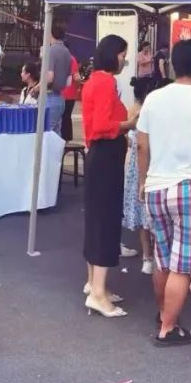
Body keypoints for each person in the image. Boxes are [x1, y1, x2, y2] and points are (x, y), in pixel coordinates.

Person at [137, 39, 191, 346]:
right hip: (188, 187)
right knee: (183, 265)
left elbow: (142, 145)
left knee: (163, 259)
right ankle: (168, 329)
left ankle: (165, 314)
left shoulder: (154, 98)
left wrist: (143, 182)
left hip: (156, 187)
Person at [80, 35, 139, 318]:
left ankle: (94, 283)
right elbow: (104, 125)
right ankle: (98, 294)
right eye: (123, 55)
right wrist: (130, 123)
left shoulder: (94, 80)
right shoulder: (105, 82)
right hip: (105, 156)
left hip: (100, 156)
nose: (124, 60)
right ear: (113, 54)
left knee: (96, 220)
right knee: (105, 222)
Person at [124, 76, 166, 276]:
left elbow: (131, 141)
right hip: (150, 167)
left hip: (136, 169)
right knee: (156, 218)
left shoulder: (135, 111)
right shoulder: (151, 114)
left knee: (143, 216)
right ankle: (156, 257)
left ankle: (147, 257)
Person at [46, 24, 73, 133]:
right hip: (60, 97)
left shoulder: (51, 50)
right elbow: (68, 81)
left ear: (50, 33)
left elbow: (49, 77)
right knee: (56, 132)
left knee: (48, 132)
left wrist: (37, 88)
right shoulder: (67, 51)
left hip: (50, 96)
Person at [60, 54, 81, 141]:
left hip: (60, 92)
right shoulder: (71, 59)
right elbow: (77, 78)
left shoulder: (55, 56)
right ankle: (66, 138)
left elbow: (76, 77)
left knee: (61, 117)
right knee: (66, 116)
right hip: (70, 92)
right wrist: (77, 87)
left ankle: (63, 138)